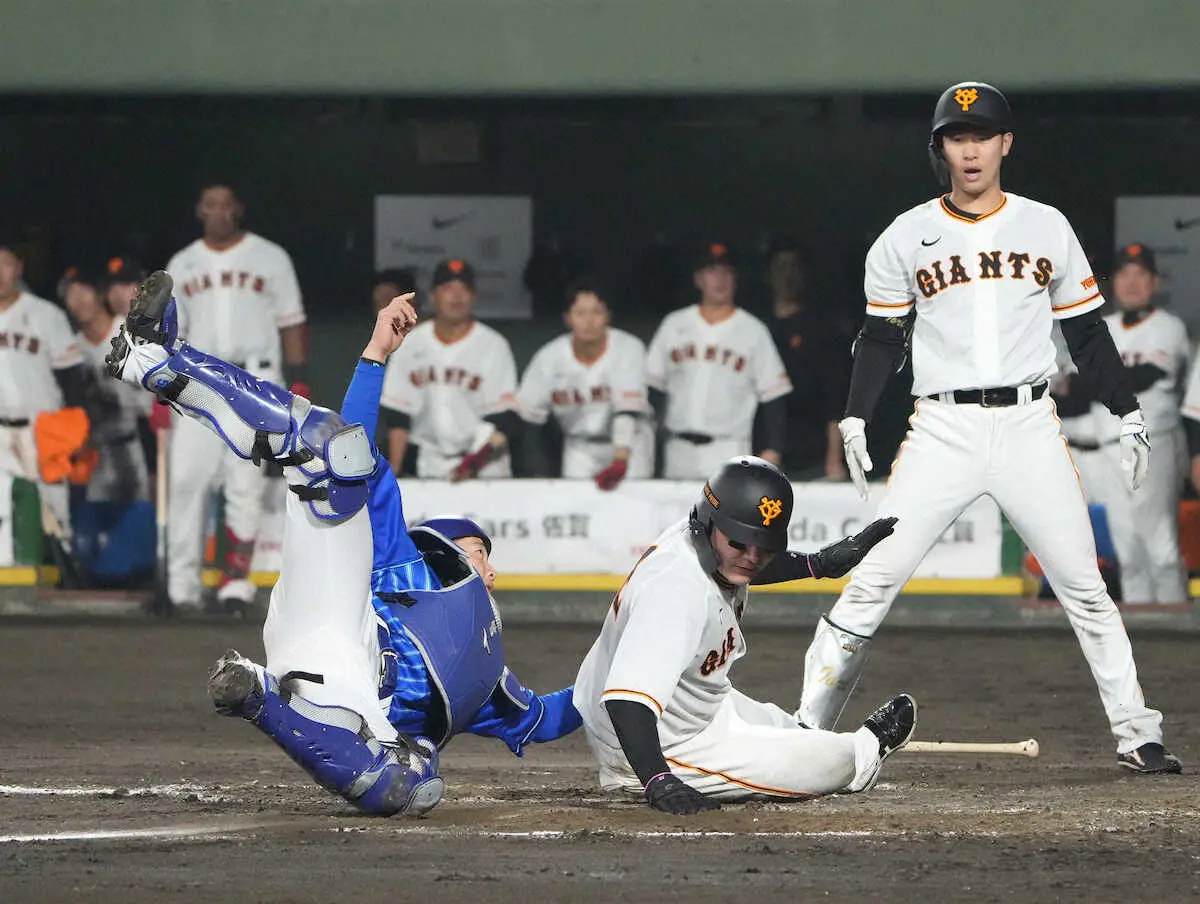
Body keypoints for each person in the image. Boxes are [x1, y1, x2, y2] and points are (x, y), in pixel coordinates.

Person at [797, 81, 1181, 774]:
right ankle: (803, 729)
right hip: (941, 428)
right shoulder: (905, 235)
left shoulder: (1046, 225)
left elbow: (1088, 335)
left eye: (982, 136)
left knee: (1085, 586)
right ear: (940, 148)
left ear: (1005, 143)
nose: (969, 150)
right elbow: (881, 338)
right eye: (956, 137)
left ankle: (1138, 732)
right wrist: (855, 412)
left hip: (1031, 425)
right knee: (874, 578)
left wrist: (1127, 410)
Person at [105, 272, 582, 816]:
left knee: (413, 786)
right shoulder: (403, 560)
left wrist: (626, 666)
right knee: (337, 454)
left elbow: (550, 718)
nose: (489, 566)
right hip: (338, 618)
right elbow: (352, 439)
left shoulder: (492, 680)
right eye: (479, 549)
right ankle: (157, 360)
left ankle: (255, 696)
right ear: (448, 551)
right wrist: (376, 353)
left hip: (346, 697)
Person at [573, 455, 909, 813]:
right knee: (834, 758)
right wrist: (657, 778)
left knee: (801, 733)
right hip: (661, 743)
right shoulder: (674, 590)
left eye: (764, 546)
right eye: (740, 543)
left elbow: (743, 561)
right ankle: (866, 753)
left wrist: (817, 564)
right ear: (708, 525)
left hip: (702, 707)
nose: (751, 557)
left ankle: (793, 742)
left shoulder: (705, 542)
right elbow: (627, 701)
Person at [163, 183, 308, 615]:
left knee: (246, 484)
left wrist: (298, 381)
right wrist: (161, 385)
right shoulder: (182, 263)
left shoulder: (271, 257)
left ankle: (235, 583)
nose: (219, 212)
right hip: (197, 378)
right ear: (199, 211)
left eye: (227, 205)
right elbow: (171, 332)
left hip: (255, 375)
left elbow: (292, 323)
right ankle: (180, 586)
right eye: (211, 205)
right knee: (187, 481)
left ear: (238, 210)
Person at [1085, 245, 1189, 607]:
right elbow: (1075, 389)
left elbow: (1143, 376)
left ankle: (1179, 626)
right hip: (1108, 446)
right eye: (1125, 275)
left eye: (1141, 275)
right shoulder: (1101, 328)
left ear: (1154, 282)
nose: (1132, 283)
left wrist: (1100, 380)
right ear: (1114, 283)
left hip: (1152, 442)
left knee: (1160, 547)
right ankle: (1142, 636)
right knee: (1127, 551)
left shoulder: (1169, 327)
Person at [646, 243, 792, 479]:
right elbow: (652, 389)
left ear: (736, 279)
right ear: (698, 279)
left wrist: (773, 450)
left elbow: (774, 397)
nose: (720, 279)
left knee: (725, 515)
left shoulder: (753, 330)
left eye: (727, 272)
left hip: (728, 448)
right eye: (712, 272)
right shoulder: (674, 324)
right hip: (677, 448)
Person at [380, 259, 520, 481]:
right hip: (429, 463)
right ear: (433, 296)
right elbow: (398, 416)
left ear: (473, 297)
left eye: (464, 289)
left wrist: (474, 464)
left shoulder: (493, 345)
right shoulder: (411, 343)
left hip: (484, 465)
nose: (456, 296)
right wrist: (395, 471)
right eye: (447, 289)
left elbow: (503, 420)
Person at [517, 277, 654, 487]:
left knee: (632, 510)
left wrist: (620, 460)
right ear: (567, 318)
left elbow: (627, 411)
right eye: (580, 313)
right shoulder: (549, 357)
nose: (589, 321)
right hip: (578, 446)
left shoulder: (628, 348)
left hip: (631, 446)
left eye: (597, 312)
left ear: (608, 315)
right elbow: (527, 414)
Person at [0, 240, 89, 539]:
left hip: (42, 429)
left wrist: (73, 430)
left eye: (6, 263)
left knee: (54, 519)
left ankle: (63, 574)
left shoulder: (46, 314)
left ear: (18, 268)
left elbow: (71, 378)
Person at [760, 237, 851, 479]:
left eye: (793, 267)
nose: (787, 275)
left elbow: (835, 399)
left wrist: (834, 459)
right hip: (761, 451)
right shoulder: (755, 328)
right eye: (780, 267)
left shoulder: (822, 330)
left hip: (812, 455)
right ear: (768, 275)